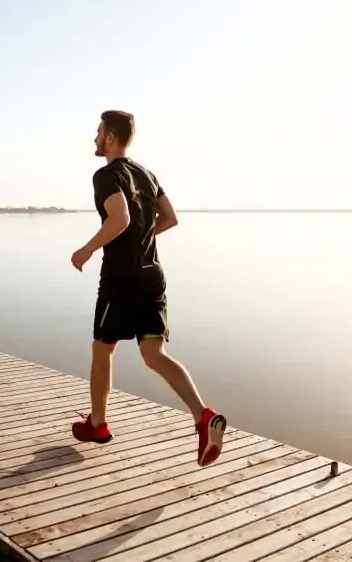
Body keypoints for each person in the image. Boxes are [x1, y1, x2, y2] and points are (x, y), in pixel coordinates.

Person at [69, 110, 227, 467]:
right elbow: (170, 218)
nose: (94, 137)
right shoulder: (147, 174)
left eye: (98, 131)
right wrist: (144, 237)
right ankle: (203, 415)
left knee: (102, 350)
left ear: (110, 136)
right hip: (153, 274)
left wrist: (88, 249)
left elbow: (120, 218)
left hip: (121, 279)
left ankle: (98, 424)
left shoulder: (106, 175)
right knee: (154, 355)